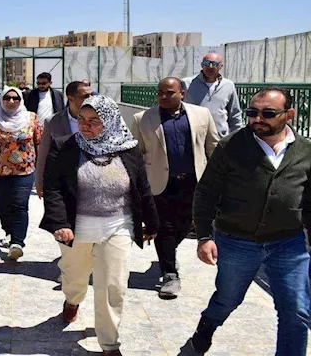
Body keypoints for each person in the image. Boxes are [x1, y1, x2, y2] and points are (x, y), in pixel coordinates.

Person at [188, 88, 311, 355]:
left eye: (268, 113)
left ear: (289, 114)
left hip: (288, 245)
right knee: (227, 299)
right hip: (237, 242)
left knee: (296, 311)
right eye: (252, 112)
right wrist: (204, 237)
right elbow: (206, 193)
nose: (257, 119)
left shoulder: (306, 150)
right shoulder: (231, 146)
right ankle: (207, 326)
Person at [40, 95, 158, 356]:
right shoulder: (65, 146)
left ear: (111, 120)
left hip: (118, 225)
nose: (86, 125)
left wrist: (151, 222)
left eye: (94, 121)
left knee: (113, 285)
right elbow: (53, 187)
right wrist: (60, 222)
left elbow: (142, 187)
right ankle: (72, 299)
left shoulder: (128, 148)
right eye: (82, 119)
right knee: (75, 276)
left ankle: (109, 343)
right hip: (77, 228)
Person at [130, 77, 219, 299]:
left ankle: (168, 252)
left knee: (185, 225)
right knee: (164, 228)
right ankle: (169, 272)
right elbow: (135, 154)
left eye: (169, 92)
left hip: (193, 181)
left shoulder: (202, 115)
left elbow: (213, 147)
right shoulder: (142, 119)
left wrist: (221, 178)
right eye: (160, 92)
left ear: (182, 93)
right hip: (159, 183)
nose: (163, 96)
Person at [0, 86, 41, 260]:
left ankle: (17, 242)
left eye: (15, 98)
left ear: (21, 100)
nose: (11, 101)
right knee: (3, 205)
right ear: (1, 100)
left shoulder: (31, 118)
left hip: (24, 171)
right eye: (7, 98)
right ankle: (9, 231)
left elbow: (39, 143)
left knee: (19, 204)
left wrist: (42, 169)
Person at [35, 80, 94, 198]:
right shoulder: (53, 122)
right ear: (70, 98)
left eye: (92, 95)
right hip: (63, 181)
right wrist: (39, 182)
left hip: (93, 179)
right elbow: (43, 154)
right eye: (86, 96)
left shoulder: (100, 121)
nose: (91, 99)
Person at [183, 52, 243, 138]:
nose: (210, 67)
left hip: (220, 138)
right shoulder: (187, 84)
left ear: (220, 66)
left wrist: (238, 136)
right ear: (202, 65)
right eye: (206, 63)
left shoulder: (228, 85)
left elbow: (234, 113)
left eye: (214, 64)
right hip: (194, 137)